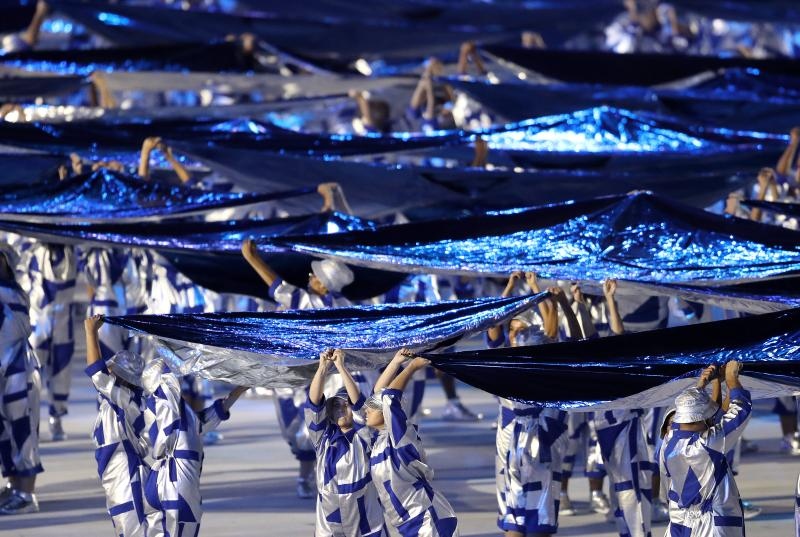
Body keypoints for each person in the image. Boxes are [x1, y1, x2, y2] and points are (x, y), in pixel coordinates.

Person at [242, 239, 358, 498]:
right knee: (305, 429)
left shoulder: (306, 300)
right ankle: (315, 476)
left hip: (316, 378)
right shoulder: (347, 305)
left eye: (313, 275)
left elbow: (275, 285)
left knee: (312, 427)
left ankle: (317, 477)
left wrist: (252, 258)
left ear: (322, 283)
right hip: (302, 377)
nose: (308, 277)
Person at [487, 272, 570, 537]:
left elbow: (552, 333)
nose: (514, 334)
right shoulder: (501, 357)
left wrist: (539, 291)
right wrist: (510, 286)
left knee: (540, 514)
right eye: (512, 329)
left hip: (543, 436)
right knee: (512, 513)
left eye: (520, 330)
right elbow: (492, 321)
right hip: (508, 437)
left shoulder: (545, 360)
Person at [141, 357, 247, 536]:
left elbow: (208, 419)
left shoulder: (180, 411)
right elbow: (167, 387)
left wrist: (242, 387)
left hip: (164, 479)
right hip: (176, 479)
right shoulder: (162, 400)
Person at [366, 354, 459, 536]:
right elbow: (379, 394)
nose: (366, 410)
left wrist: (411, 368)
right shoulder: (378, 439)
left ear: (386, 412)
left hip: (428, 520)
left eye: (372, 407)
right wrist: (396, 361)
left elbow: (389, 397)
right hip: (409, 523)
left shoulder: (399, 436)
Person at [659, 360, 751, 535]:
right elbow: (741, 409)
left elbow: (706, 416)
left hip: (681, 524)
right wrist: (732, 378)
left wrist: (707, 382)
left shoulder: (668, 441)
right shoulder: (707, 444)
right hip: (712, 526)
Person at [305, 348, 385, 537]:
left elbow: (361, 406)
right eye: (336, 405)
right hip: (329, 521)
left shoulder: (365, 435)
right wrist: (322, 368)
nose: (341, 409)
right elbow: (313, 404)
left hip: (365, 519)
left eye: (345, 405)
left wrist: (341, 367)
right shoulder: (322, 438)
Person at [84, 314, 149, 536]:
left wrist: (91, 332)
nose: (108, 371)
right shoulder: (119, 399)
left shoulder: (126, 399)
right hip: (114, 469)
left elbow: (96, 373)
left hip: (125, 468)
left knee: (132, 528)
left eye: (112, 370)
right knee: (124, 526)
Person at [0, 248, 43, 515]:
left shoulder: (11, 293)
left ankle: (26, 494)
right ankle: (14, 485)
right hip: (7, 371)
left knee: (23, 432)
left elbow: (16, 331)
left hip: (19, 370)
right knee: (6, 433)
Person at [25, 241, 77, 441]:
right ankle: (31, 421)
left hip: (64, 320)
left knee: (62, 372)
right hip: (38, 320)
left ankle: (56, 418)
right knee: (33, 371)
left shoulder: (71, 251)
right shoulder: (31, 251)